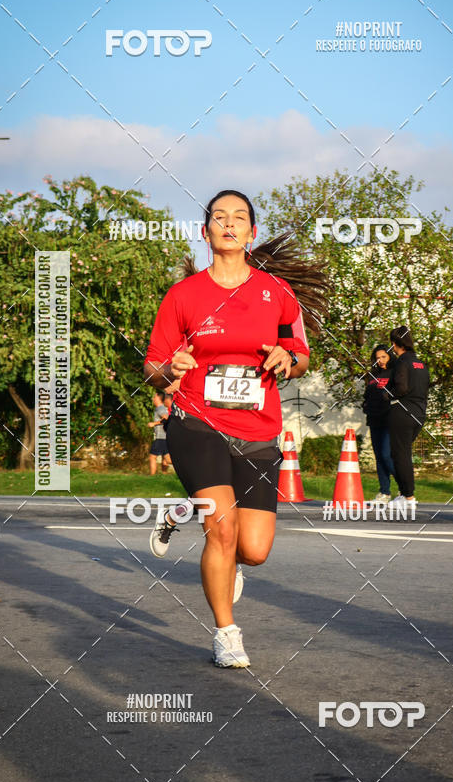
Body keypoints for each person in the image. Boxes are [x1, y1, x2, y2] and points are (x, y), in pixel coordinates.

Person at [143, 189, 323, 669]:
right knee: (221, 529)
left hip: (258, 428)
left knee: (254, 549)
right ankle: (226, 633)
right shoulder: (184, 295)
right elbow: (153, 367)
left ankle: (188, 513)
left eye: (238, 217)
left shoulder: (276, 293)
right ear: (205, 232)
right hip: (196, 420)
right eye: (218, 217)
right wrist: (169, 369)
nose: (228, 223)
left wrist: (290, 359)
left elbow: (302, 354)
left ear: (251, 232)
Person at [385, 326, 430, 509]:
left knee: (400, 454)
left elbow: (401, 388)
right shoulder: (421, 364)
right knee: (404, 454)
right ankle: (406, 494)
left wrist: (387, 394)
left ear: (395, 344)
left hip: (402, 412)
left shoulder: (402, 362)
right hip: (419, 413)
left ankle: (408, 496)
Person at [362, 344, 396, 504]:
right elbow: (367, 395)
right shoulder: (372, 375)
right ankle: (384, 493)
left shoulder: (395, 372)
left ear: (390, 356)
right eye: (377, 358)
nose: (380, 360)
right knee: (379, 458)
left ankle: (406, 489)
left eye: (383, 357)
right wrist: (366, 405)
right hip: (374, 419)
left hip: (389, 419)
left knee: (386, 455)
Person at [148, 392, 173, 474]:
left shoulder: (160, 408)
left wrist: (154, 424)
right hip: (165, 437)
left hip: (161, 437)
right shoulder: (161, 408)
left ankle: (152, 477)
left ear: (159, 398)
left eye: (154, 397)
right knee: (167, 459)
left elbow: (166, 418)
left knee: (152, 457)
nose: (153, 399)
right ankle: (164, 474)